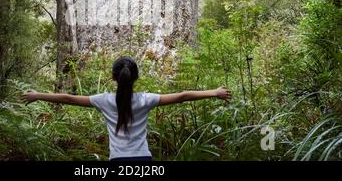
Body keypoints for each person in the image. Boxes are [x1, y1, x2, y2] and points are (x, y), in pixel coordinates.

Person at [20, 56, 232, 161]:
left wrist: (37, 95)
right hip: (143, 159)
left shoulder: (104, 100)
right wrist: (215, 92)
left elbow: (68, 98)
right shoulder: (146, 100)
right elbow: (183, 96)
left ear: (113, 77)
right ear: (136, 78)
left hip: (118, 161)